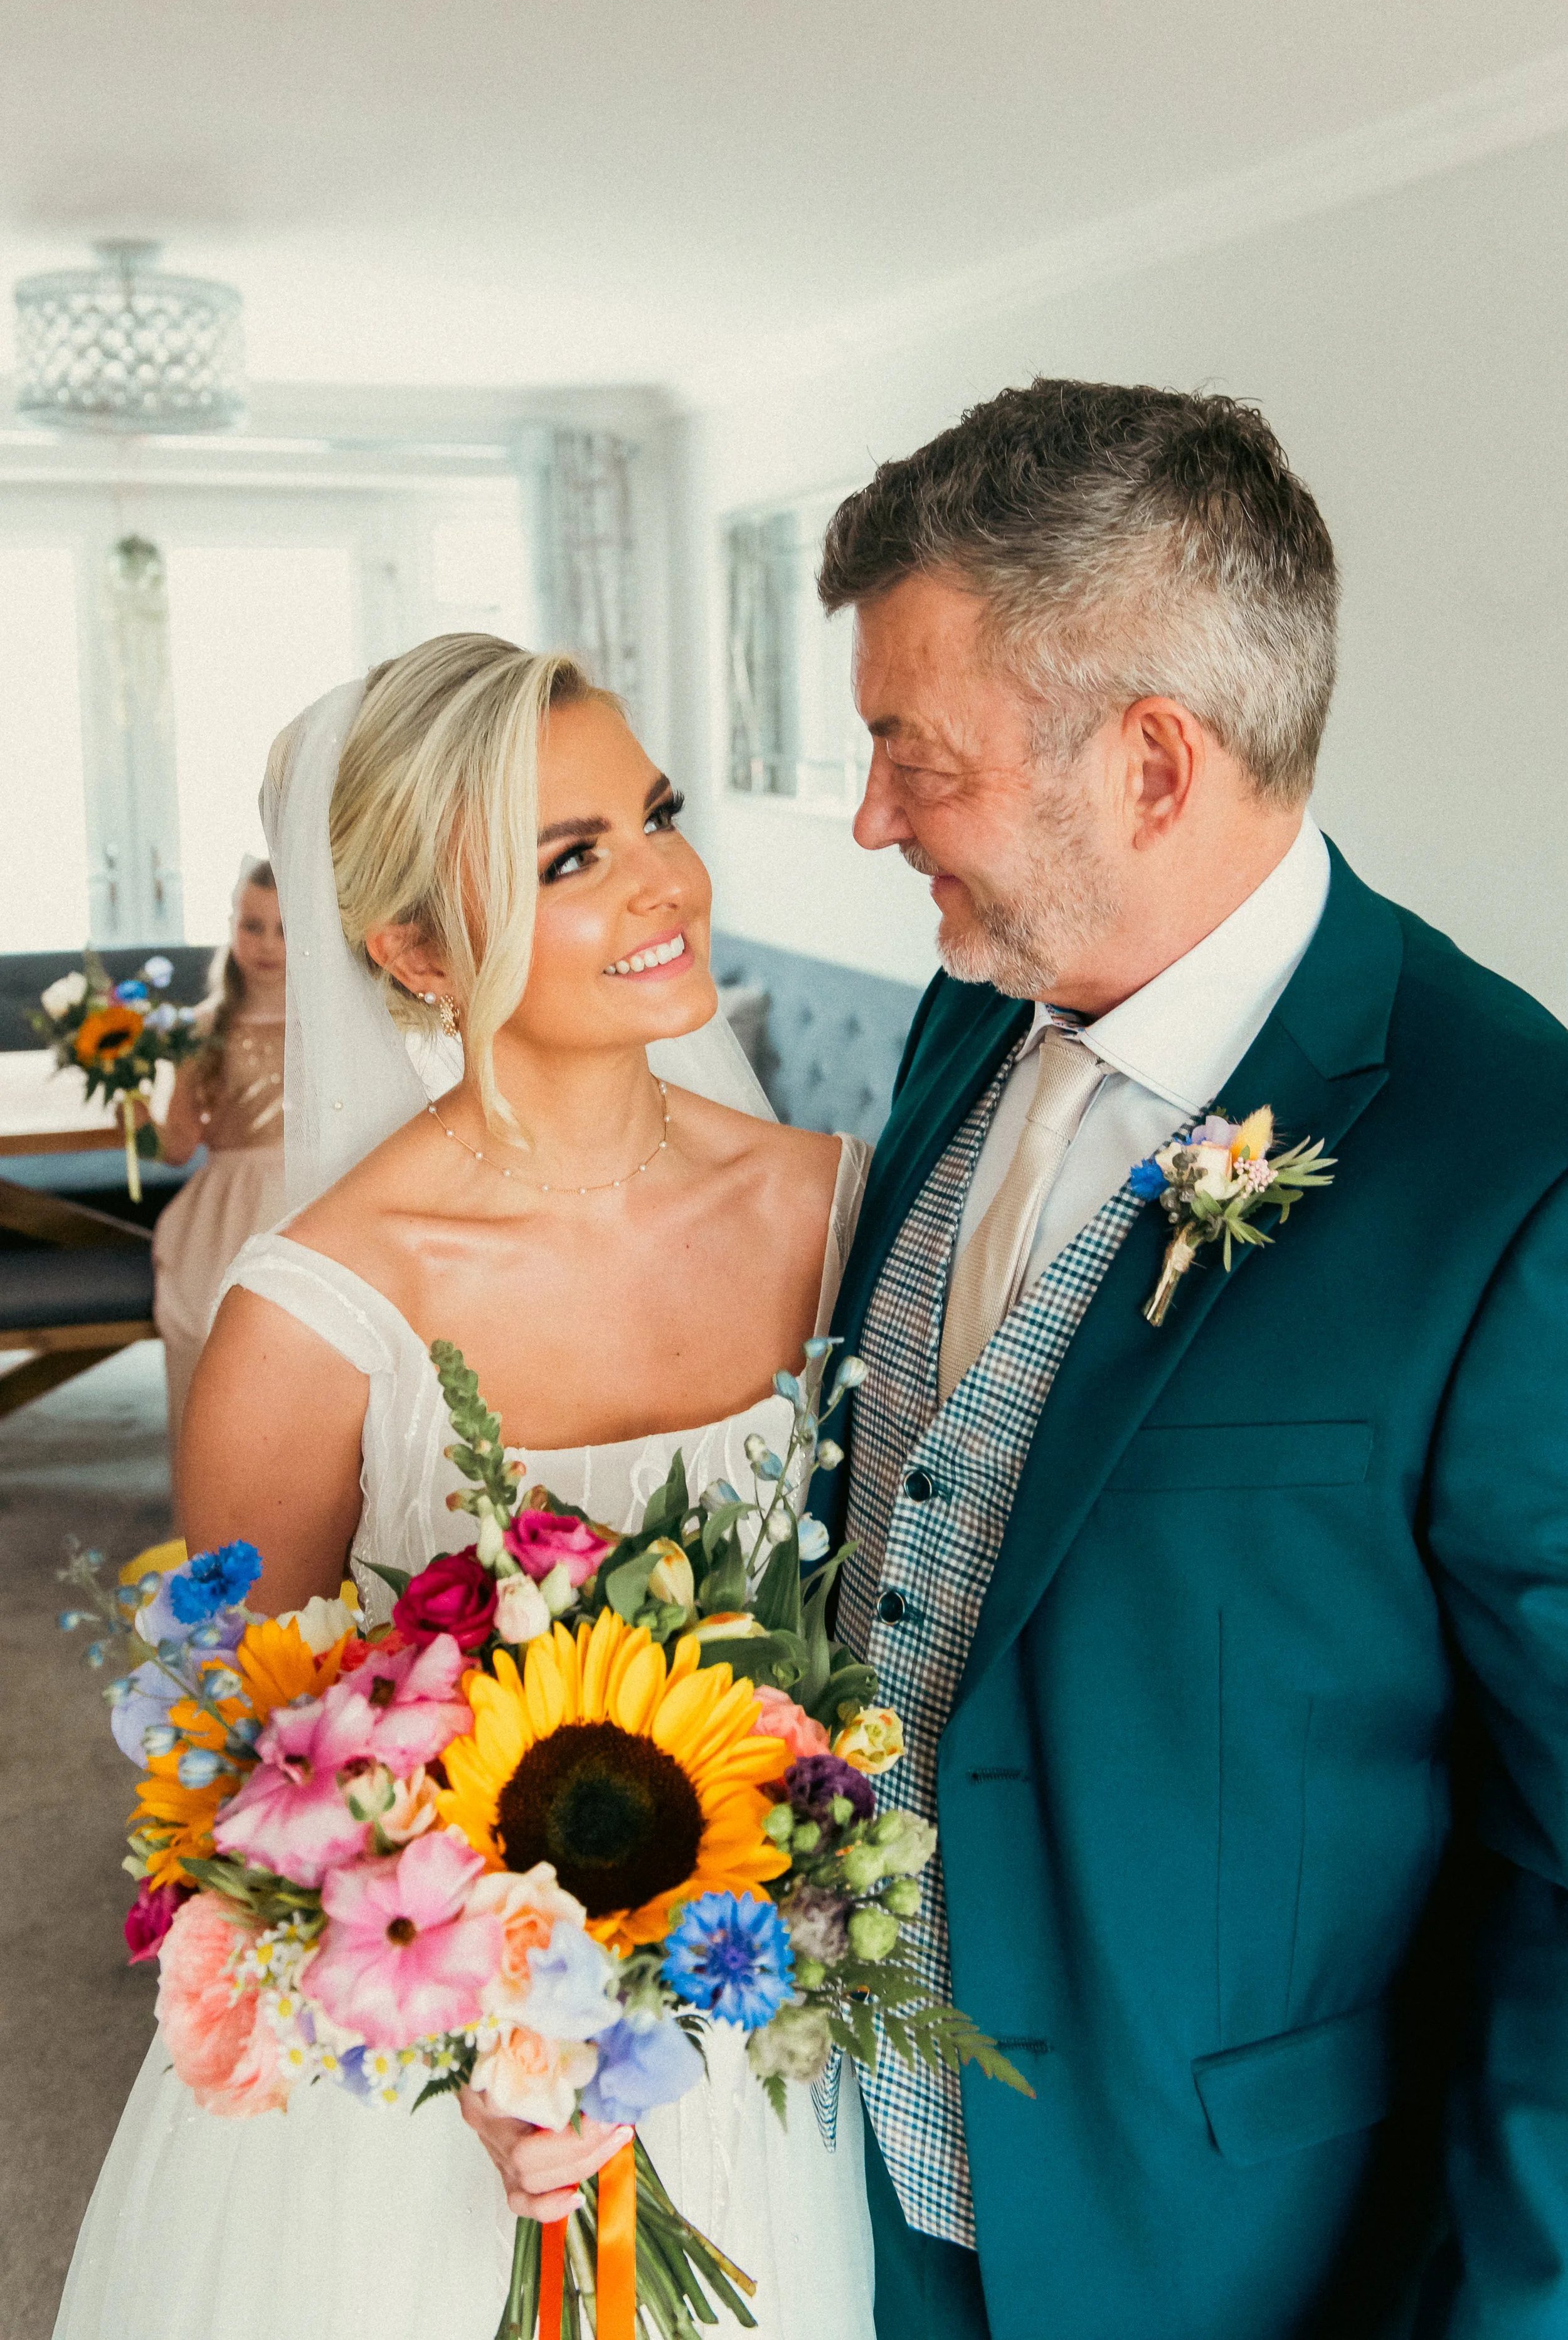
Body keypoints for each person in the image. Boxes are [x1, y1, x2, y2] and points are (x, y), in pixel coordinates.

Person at [813, 380, 1568, 2339]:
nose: (868, 813)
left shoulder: (1514, 1168)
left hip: (1218, 2250)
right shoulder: (959, 1018)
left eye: (914, 750)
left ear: (1148, 764)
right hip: (837, 2186)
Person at [53, 636, 877, 2340]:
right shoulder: (309, 1318)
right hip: (425, 2112)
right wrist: (480, 2050)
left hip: (755, 2044)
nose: (664, 881)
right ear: (414, 949)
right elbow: (252, 1791)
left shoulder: (838, 1212)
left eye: (652, 813)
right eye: (571, 857)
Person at [152, 859, 287, 1479]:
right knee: (211, 1330)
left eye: (284, 929)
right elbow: (179, 1146)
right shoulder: (204, 1028)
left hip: (309, 1197)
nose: (265, 944)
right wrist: (136, 1094)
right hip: (229, 1206)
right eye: (251, 924)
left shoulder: (335, 1026)